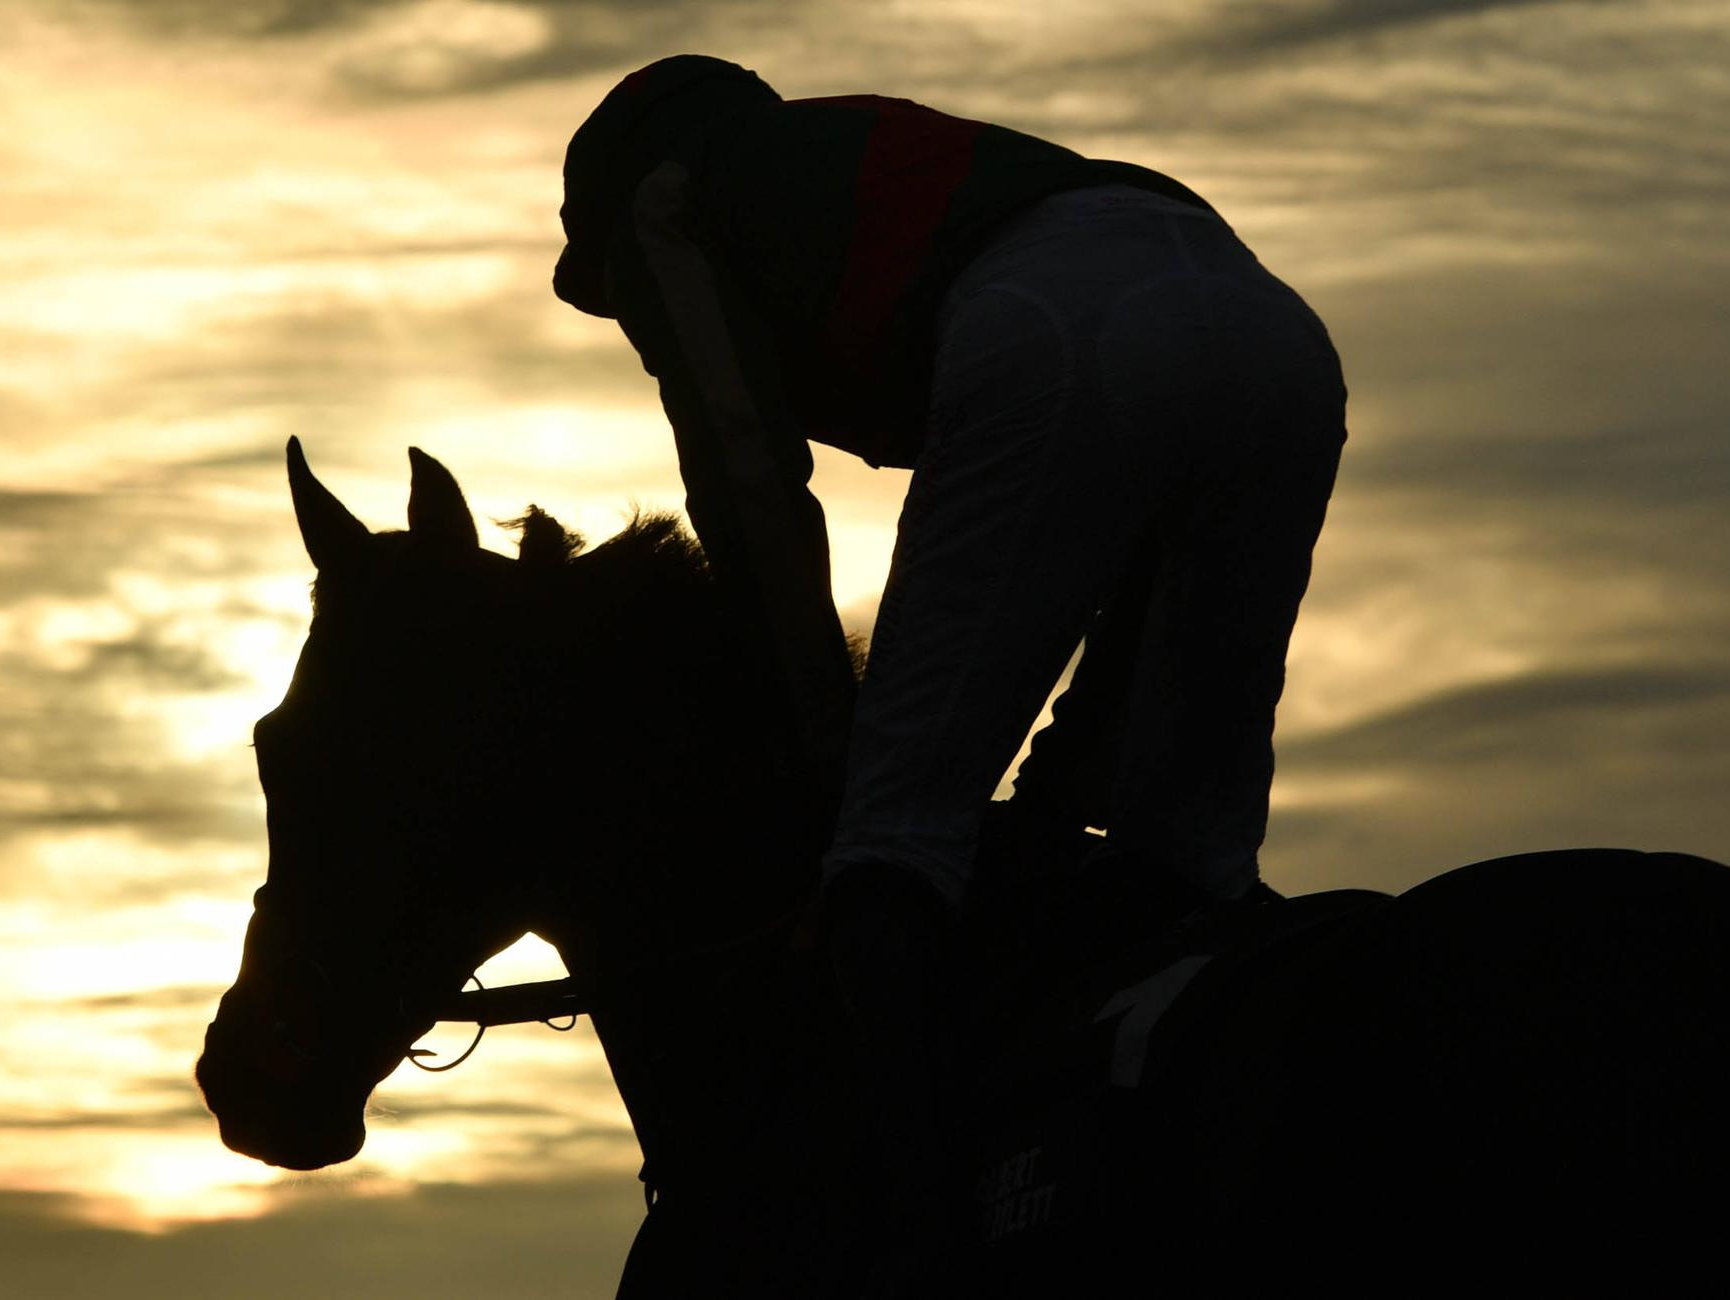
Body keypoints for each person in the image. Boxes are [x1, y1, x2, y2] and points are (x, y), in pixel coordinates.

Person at [554, 52, 1346, 1274]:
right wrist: (1055, 794)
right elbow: (1115, 572)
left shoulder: (660, 204)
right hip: (1270, 325)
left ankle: (910, 1245)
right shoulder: (872, 156)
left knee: (892, 846)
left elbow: (748, 480)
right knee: (1182, 854)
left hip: (1052, 314)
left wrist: (833, 749)